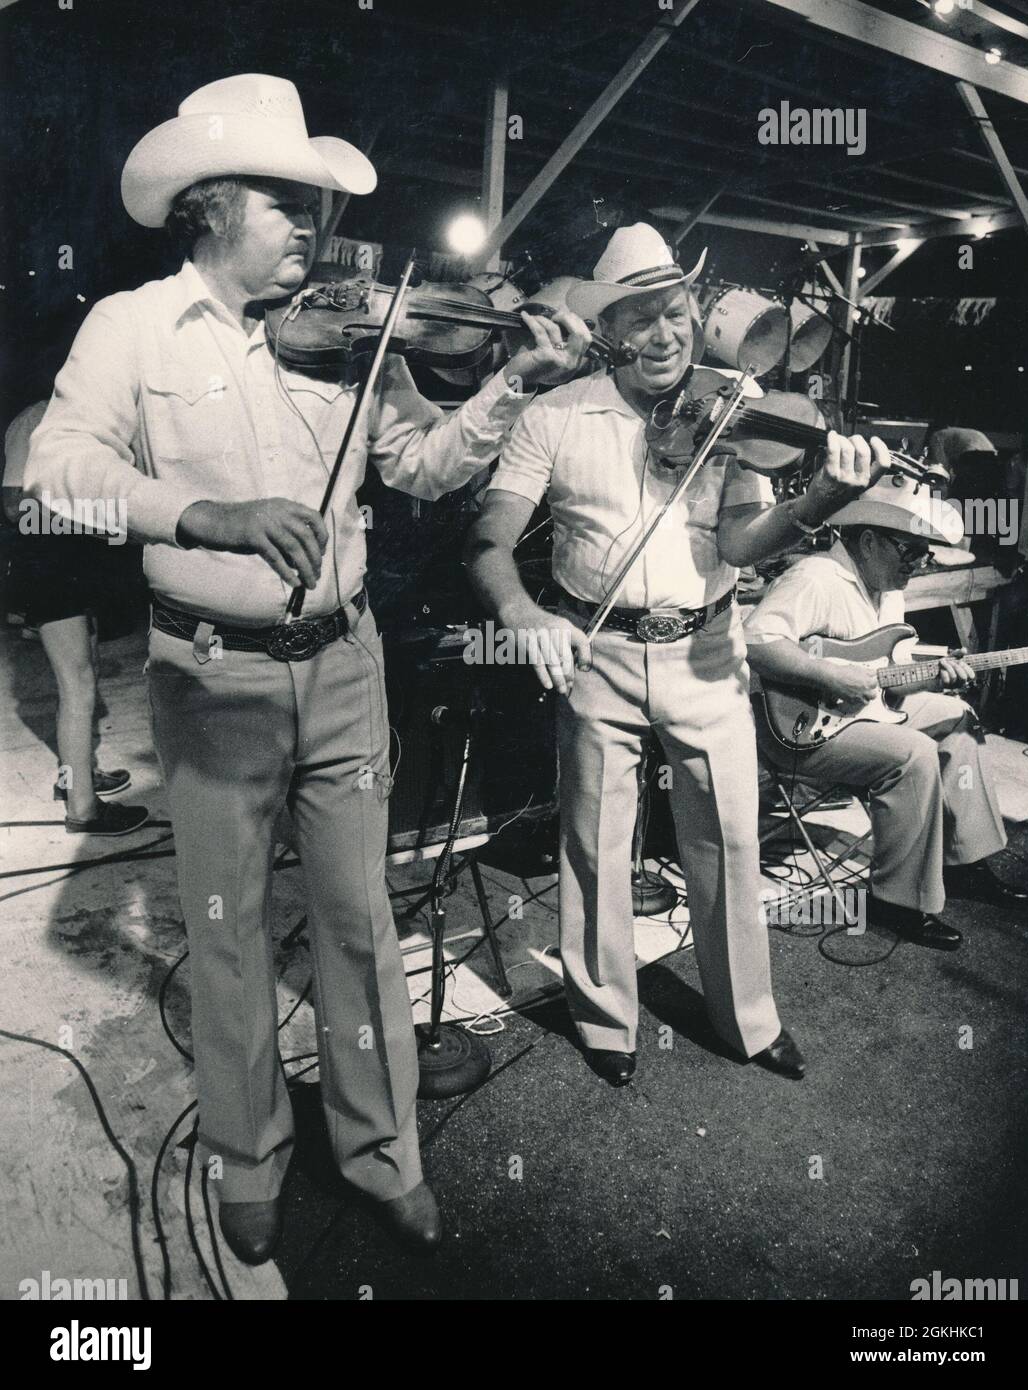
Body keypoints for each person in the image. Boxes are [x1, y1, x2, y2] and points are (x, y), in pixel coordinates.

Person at [25, 73, 589, 1265]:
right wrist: (203, 515)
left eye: (313, 208)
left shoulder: (349, 336)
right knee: (228, 931)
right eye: (288, 203)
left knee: (359, 921)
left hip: (345, 664)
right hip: (210, 677)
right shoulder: (130, 329)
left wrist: (506, 386)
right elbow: (59, 472)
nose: (314, 230)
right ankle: (250, 1156)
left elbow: (427, 466)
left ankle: (384, 1152)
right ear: (210, 206)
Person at [465, 223, 890, 1088]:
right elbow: (486, 541)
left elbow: (741, 542)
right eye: (642, 319)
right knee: (593, 844)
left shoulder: (733, 406)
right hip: (597, 652)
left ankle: (747, 1019)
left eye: (677, 315)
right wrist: (520, 613)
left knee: (729, 841)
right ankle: (604, 1017)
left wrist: (821, 498)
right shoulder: (554, 415)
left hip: (705, 652)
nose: (664, 337)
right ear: (609, 328)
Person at [744, 475, 1028, 950]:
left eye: (926, 554)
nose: (919, 565)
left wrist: (938, 676)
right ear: (870, 540)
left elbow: (889, 676)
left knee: (958, 719)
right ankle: (895, 899)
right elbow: (756, 643)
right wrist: (828, 676)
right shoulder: (815, 577)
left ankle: (964, 861)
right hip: (801, 730)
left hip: (868, 712)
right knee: (913, 753)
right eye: (911, 551)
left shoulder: (888, 587)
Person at [3, 401, 148, 835]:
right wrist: (91, 518)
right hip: (47, 567)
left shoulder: (89, 416)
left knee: (89, 673)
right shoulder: (33, 418)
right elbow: (14, 507)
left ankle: (76, 775)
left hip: (74, 566)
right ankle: (83, 811)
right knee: (78, 685)